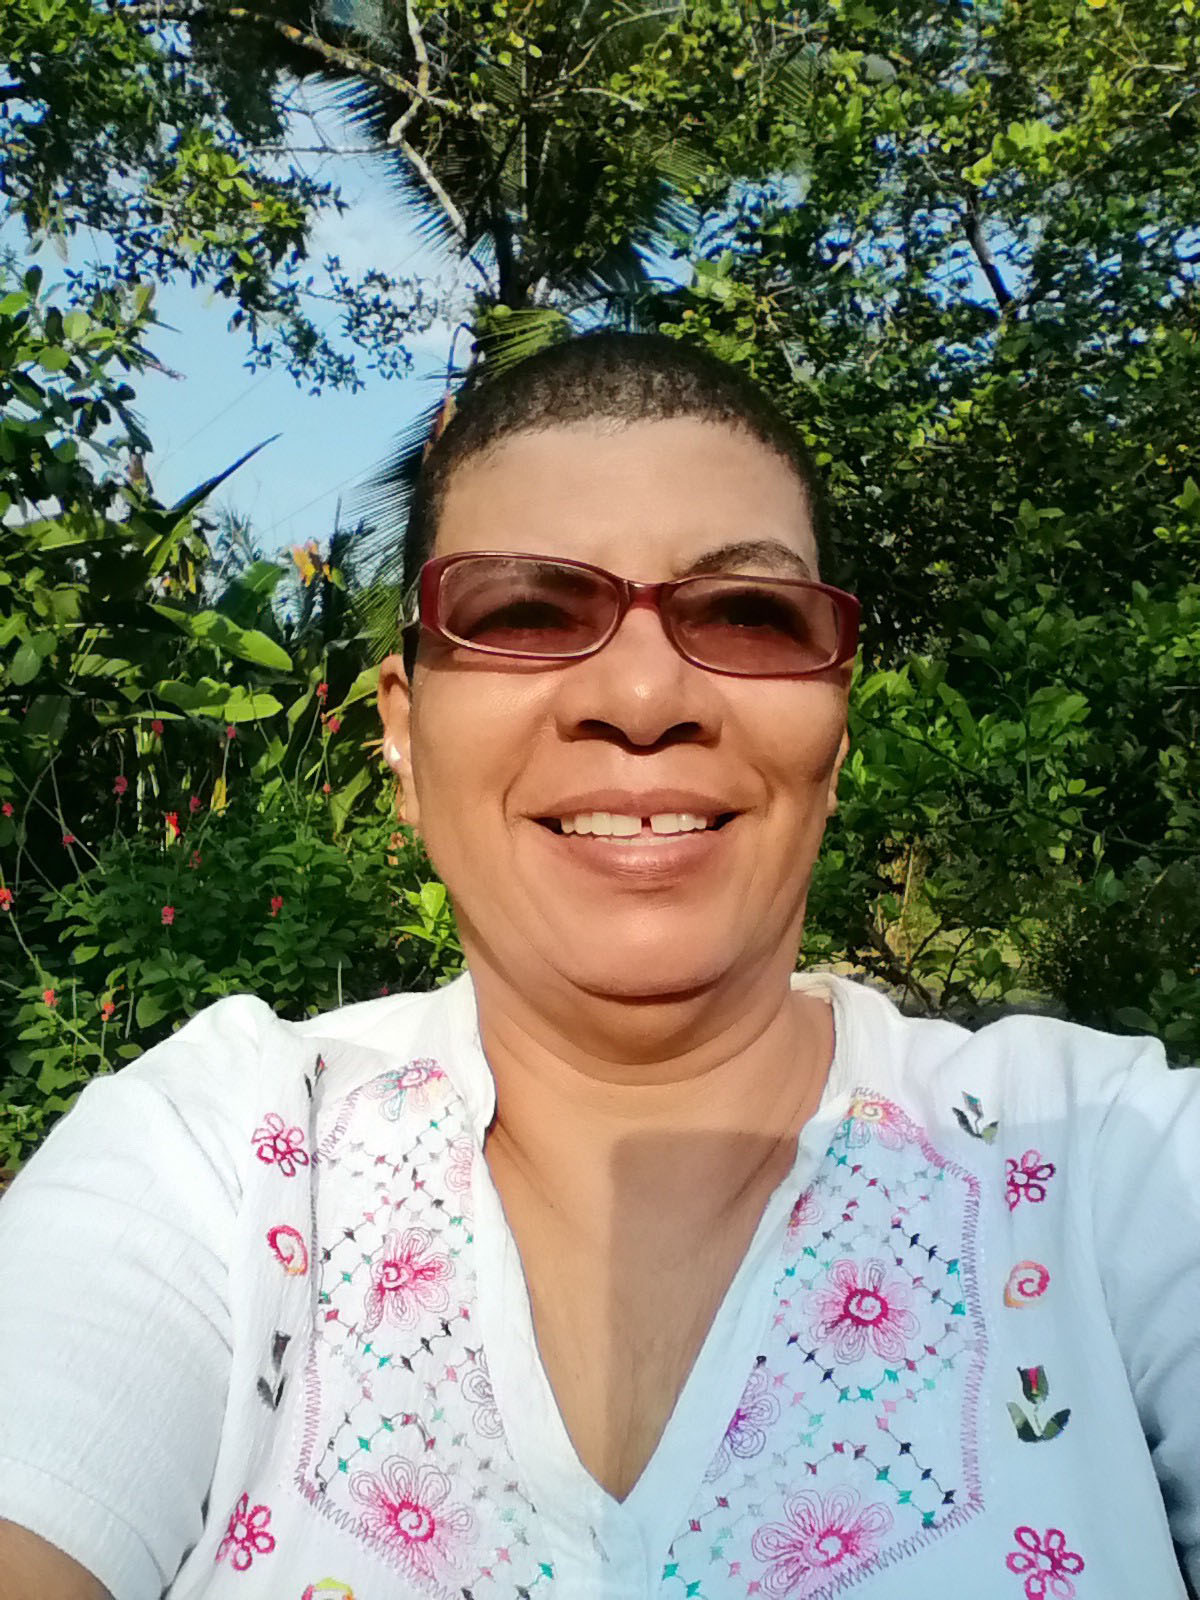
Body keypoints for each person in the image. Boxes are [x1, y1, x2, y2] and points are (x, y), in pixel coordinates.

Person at [0, 331, 1197, 1600]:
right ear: (404, 735)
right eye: (525, 612)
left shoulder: (1104, 1164)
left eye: (747, 614)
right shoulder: (223, 1159)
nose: (639, 695)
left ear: (835, 734)